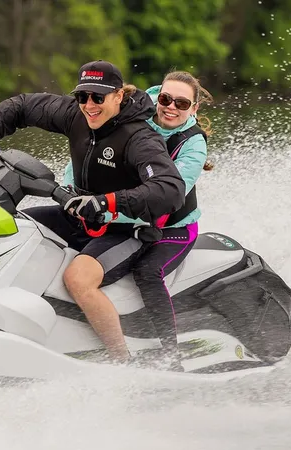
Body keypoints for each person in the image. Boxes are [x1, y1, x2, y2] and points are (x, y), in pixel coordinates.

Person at [0, 60, 186, 362]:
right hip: (77, 216)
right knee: (10, 229)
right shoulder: (76, 115)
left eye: (98, 97)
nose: (89, 105)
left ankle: (122, 362)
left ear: (118, 96)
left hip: (124, 229)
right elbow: (25, 106)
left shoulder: (140, 139)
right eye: (82, 96)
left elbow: (170, 189)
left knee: (77, 278)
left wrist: (107, 201)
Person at [59, 70, 214, 366]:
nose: (170, 107)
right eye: (166, 99)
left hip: (172, 228)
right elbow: (86, 153)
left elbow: (164, 197)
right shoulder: (135, 113)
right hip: (121, 218)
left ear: (193, 108)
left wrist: (103, 209)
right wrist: (72, 191)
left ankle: (171, 354)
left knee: (148, 272)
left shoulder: (193, 145)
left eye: (181, 104)